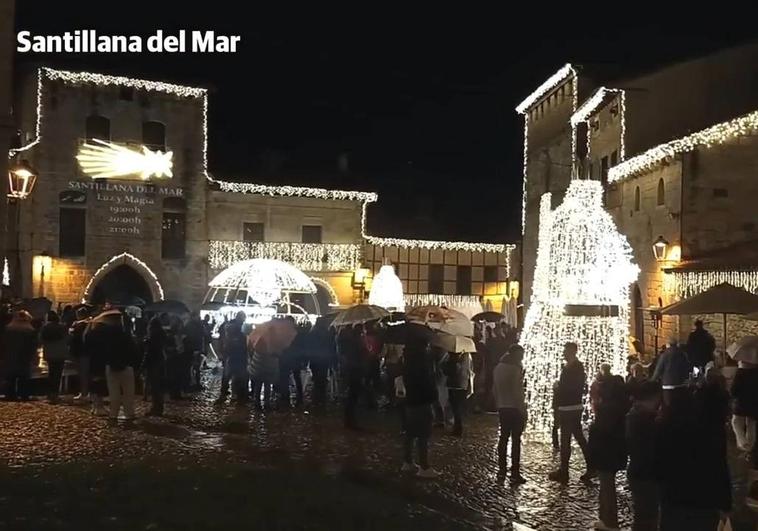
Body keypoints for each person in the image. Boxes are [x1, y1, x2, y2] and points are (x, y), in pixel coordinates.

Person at [587, 363, 629, 531]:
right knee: (606, 486)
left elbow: (600, 433)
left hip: (606, 454)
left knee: (607, 487)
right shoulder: (621, 408)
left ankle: (610, 521)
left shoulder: (606, 411)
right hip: (615, 453)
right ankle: (605, 518)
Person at [401, 323, 441, 478]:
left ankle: (408, 462)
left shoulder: (408, 357)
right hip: (422, 400)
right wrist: (433, 396)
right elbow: (426, 381)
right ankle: (424, 467)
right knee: (423, 433)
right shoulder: (421, 359)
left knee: (410, 432)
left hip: (411, 399)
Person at [549, 342, 593, 484]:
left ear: (572, 351)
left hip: (569, 407)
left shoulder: (576, 367)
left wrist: (558, 387)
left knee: (566, 439)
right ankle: (590, 466)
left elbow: (573, 387)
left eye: (566, 351)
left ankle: (564, 471)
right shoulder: (571, 367)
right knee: (578, 437)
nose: (563, 353)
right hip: (569, 406)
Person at [625, 381, 662, 531]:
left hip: (642, 472)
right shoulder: (641, 419)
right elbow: (646, 449)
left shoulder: (639, 415)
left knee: (645, 516)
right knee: (645, 517)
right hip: (644, 474)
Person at [492, 343, 527, 485]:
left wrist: (498, 403)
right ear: (514, 355)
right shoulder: (515, 369)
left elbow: (494, 388)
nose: (521, 358)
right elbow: (517, 392)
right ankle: (515, 472)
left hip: (503, 406)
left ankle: (501, 469)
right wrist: (523, 410)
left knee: (503, 438)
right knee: (516, 440)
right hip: (514, 408)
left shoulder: (498, 367)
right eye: (520, 355)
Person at [731, 358, 758, 507]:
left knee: (736, 422)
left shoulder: (741, 373)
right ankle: (750, 445)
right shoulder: (756, 371)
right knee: (752, 424)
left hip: (742, 404)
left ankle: (743, 444)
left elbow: (734, 390)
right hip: (754, 404)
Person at [103, 312, 138, 422]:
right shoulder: (126, 334)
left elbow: (104, 350)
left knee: (114, 392)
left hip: (111, 365)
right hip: (126, 365)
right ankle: (129, 413)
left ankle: (113, 414)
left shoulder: (107, 335)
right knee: (128, 392)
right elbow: (133, 350)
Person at [2, 311, 37, 401]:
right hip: (24, 356)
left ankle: (10, 395)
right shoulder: (30, 330)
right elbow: (33, 345)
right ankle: (24, 395)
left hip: (9, 356)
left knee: (10, 377)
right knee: (24, 377)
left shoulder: (8, 328)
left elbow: (3, 343)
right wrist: (33, 357)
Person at [652, 337, 691, 410]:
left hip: (668, 386)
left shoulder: (664, 355)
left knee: (668, 407)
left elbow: (658, 370)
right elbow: (688, 368)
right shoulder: (682, 355)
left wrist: (652, 381)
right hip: (681, 385)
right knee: (679, 408)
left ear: (668, 345)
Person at [40, 311, 69, 403]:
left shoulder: (45, 328)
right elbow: (68, 338)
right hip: (60, 352)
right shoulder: (62, 327)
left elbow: (40, 339)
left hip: (49, 353)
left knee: (51, 373)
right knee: (58, 374)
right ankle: (55, 394)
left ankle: (50, 394)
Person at [340, 325, 365, 429]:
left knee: (352, 394)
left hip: (352, 370)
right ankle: (350, 420)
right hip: (355, 370)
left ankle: (349, 419)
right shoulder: (356, 343)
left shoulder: (350, 342)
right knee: (353, 395)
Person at [444, 349, 472, 437]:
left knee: (455, 407)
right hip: (463, 384)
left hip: (455, 384)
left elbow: (450, 371)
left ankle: (458, 428)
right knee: (458, 407)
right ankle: (458, 426)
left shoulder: (455, 357)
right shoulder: (467, 355)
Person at [142, 316, 167, 416]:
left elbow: (149, 351)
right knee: (158, 386)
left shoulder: (153, 335)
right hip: (160, 361)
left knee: (154, 386)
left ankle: (156, 408)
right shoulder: (162, 334)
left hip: (153, 362)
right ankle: (158, 407)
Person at [69, 308, 91, 400]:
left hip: (81, 352)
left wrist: (72, 330)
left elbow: (74, 337)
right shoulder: (88, 324)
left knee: (83, 374)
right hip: (84, 352)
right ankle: (85, 392)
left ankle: (84, 393)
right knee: (84, 373)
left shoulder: (81, 325)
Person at [184, 312, 205, 391]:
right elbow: (192, 337)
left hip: (196, 348)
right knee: (193, 367)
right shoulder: (191, 325)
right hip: (193, 349)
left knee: (197, 367)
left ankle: (196, 383)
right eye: (197, 316)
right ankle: (192, 383)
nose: (198, 318)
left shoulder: (196, 325)